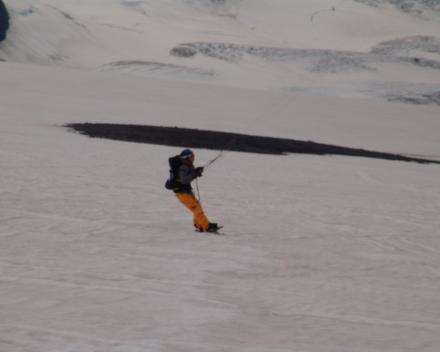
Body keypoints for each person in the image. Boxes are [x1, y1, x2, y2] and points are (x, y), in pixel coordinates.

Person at [173, 149, 218, 232]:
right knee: (196, 207)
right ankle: (207, 226)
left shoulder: (187, 165)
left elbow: (189, 175)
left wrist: (196, 171)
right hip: (182, 193)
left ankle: (199, 224)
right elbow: (184, 180)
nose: (194, 157)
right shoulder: (184, 167)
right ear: (188, 157)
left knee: (196, 207)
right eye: (192, 156)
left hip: (185, 192)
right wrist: (195, 174)